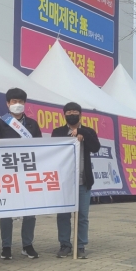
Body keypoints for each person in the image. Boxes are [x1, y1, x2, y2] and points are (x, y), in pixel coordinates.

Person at [0, 88, 42, 260]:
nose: (17, 104)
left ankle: (27, 245)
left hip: (27, 173)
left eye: (20, 102)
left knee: (30, 211)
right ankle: (6, 246)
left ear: (25, 103)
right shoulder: (0, 123)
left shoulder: (32, 124)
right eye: (14, 101)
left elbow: (41, 148)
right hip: (7, 174)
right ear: (8, 103)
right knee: (6, 211)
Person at [52, 102, 100, 259]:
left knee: (83, 216)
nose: (72, 114)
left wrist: (82, 133)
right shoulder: (58, 132)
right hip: (64, 182)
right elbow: (54, 151)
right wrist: (72, 136)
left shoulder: (88, 131)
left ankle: (80, 246)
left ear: (80, 114)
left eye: (75, 111)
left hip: (83, 181)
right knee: (63, 216)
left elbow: (96, 148)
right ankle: (65, 245)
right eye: (69, 112)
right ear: (64, 114)